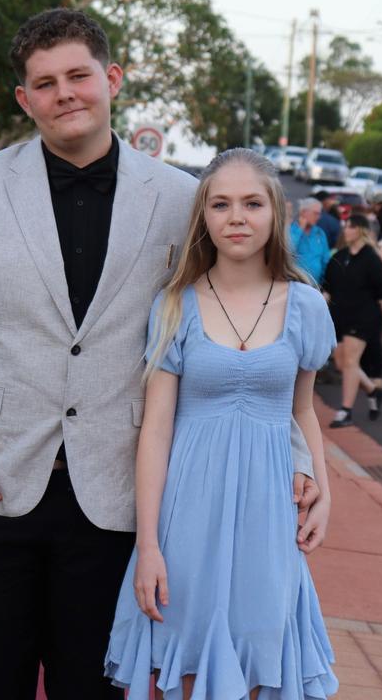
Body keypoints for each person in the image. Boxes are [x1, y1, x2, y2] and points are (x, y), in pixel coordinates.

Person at [0, 9, 296, 700]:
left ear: (112, 78)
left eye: (79, 75)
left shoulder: (181, 200)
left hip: (119, 503)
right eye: (45, 83)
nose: (66, 94)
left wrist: (296, 456)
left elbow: (243, 328)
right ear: (25, 100)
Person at [104, 148, 338, 699]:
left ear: (275, 213)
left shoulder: (306, 306)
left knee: (259, 659)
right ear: (203, 217)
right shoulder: (174, 304)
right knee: (181, 672)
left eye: (252, 203)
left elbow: (302, 411)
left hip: (268, 517)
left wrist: (324, 493)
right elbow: (156, 431)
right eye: (221, 204)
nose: (237, 217)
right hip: (186, 515)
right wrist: (149, 546)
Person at [323, 213, 382, 427]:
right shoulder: (339, 256)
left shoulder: (371, 259)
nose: (346, 230)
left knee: (350, 362)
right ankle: (373, 389)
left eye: (351, 227)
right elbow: (327, 289)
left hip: (364, 316)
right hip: (339, 316)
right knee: (341, 363)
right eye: (346, 226)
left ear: (361, 231)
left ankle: (345, 411)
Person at [290, 197, 331, 285]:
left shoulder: (319, 233)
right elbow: (288, 251)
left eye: (319, 214)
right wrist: (300, 229)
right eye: (315, 213)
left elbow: (326, 260)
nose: (318, 217)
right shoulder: (291, 230)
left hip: (315, 286)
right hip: (294, 285)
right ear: (303, 212)